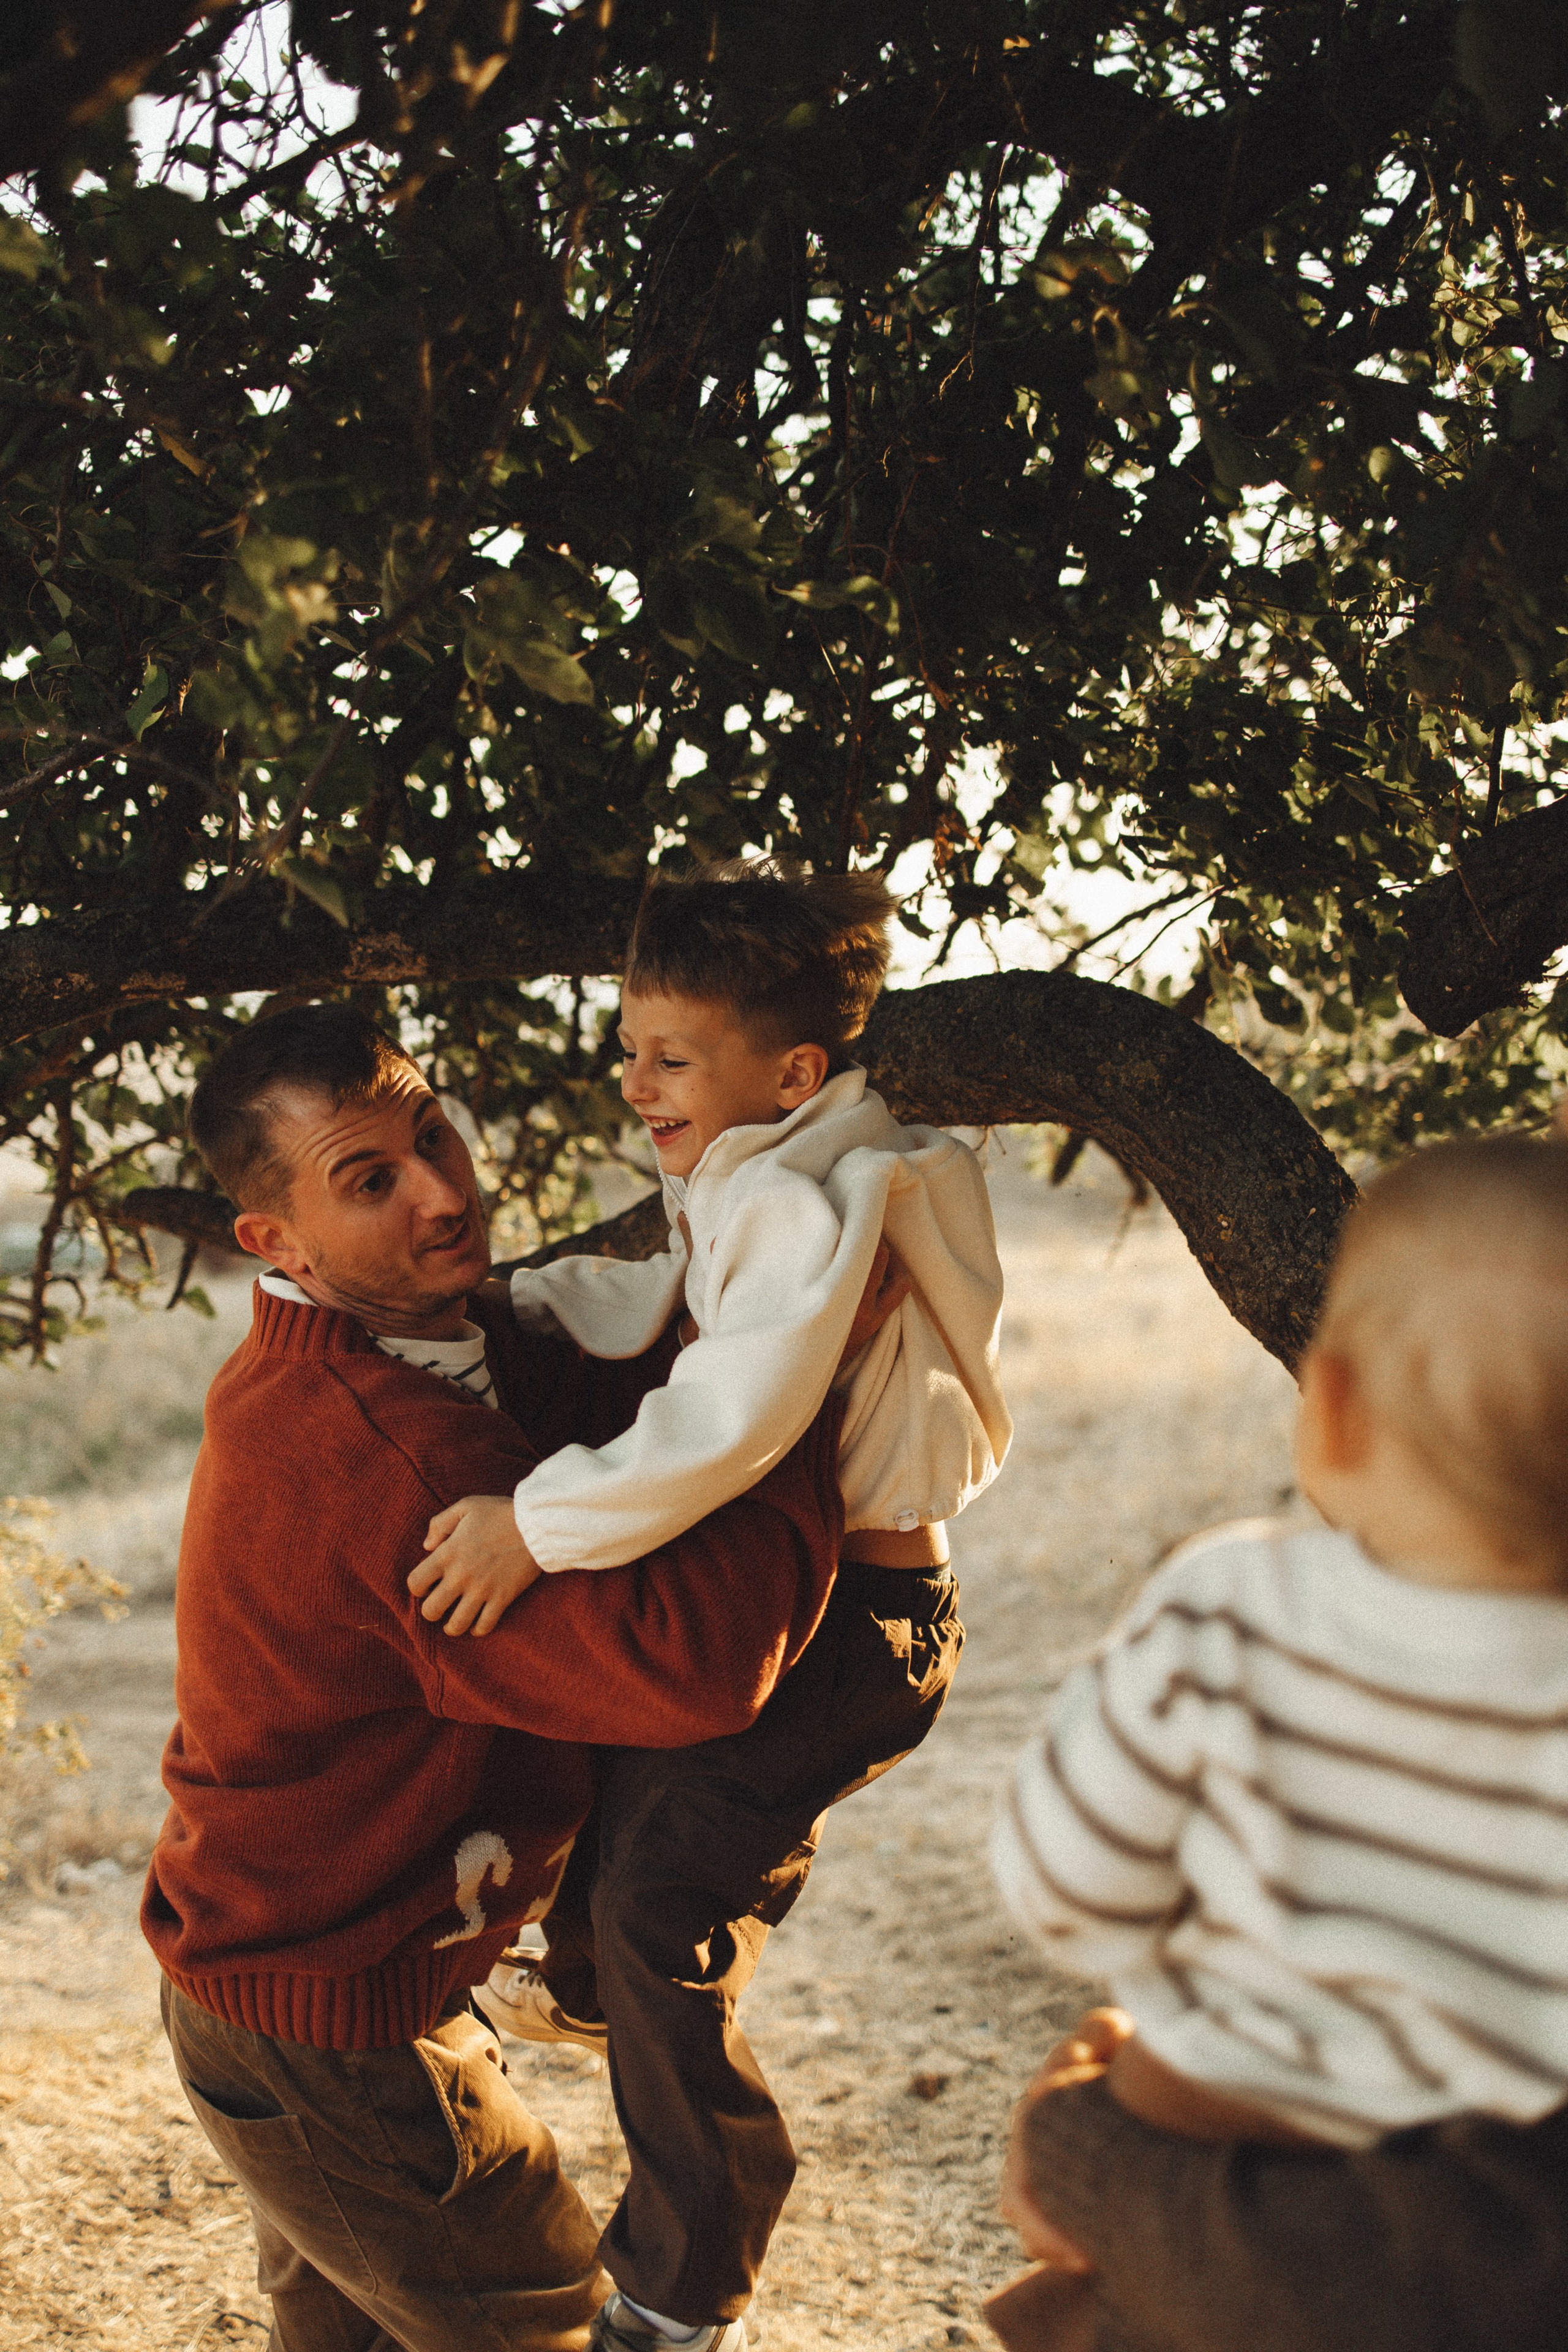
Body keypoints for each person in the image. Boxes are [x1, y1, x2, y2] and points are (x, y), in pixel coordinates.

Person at [144, 1003, 882, 2352]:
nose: (443, 1192)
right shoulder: (386, 1454)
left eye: (435, 1134)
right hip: (336, 2034)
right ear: (274, 1241)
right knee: (541, 2322)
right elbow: (694, 1666)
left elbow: (587, 1422)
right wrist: (805, 1413)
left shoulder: (416, 1342)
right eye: (371, 1180)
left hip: (306, 1992)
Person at [413, 861, 1004, 2351]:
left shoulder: (809, 1193)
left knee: (667, 1895)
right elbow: (678, 1311)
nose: (634, 1083)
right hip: (826, 1610)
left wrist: (534, 1527)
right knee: (634, 1784)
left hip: (857, 1630)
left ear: (788, 1070)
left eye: (669, 1057)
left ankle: (687, 2274)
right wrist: (526, 1307)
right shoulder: (769, 1168)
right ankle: (594, 1986)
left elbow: (731, 1408)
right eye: (627, 1048)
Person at [987, 1134, 1568, 2348]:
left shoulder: (1231, 1613)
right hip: (1475, 2182)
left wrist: (1146, 1970)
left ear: (1336, 1406)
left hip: (1202, 2117)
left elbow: (1064, 1887)